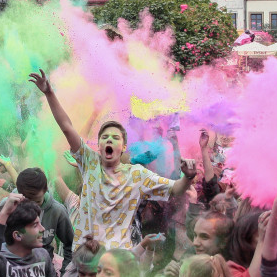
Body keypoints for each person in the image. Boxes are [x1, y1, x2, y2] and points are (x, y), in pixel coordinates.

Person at [29, 69, 195, 252]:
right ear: (98, 146)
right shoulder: (90, 163)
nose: (109, 139)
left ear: (123, 147)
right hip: (84, 257)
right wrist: (49, 93)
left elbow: (175, 188)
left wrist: (187, 178)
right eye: (105, 137)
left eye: (115, 138)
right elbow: (67, 127)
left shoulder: (137, 174)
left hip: (117, 262)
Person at [0, 168, 73, 272]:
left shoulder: (57, 211)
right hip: (10, 271)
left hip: (43, 272)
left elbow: (71, 245)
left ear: (45, 190)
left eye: (37, 202)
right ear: (19, 193)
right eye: (27, 202)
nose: (33, 208)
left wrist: (64, 276)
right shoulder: (7, 206)